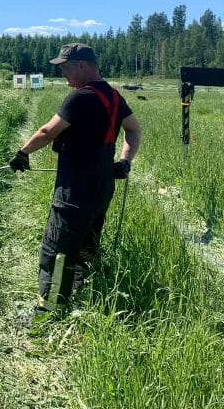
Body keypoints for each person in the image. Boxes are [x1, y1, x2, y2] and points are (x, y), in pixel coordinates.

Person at [9, 43, 141, 325]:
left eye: (65, 67)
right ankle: (76, 295)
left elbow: (47, 131)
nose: (63, 74)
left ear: (83, 65)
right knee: (86, 244)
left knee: (56, 248)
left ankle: (47, 314)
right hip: (102, 186)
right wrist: (125, 161)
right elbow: (133, 129)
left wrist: (23, 153)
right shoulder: (115, 97)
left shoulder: (80, 97)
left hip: (74, 189)